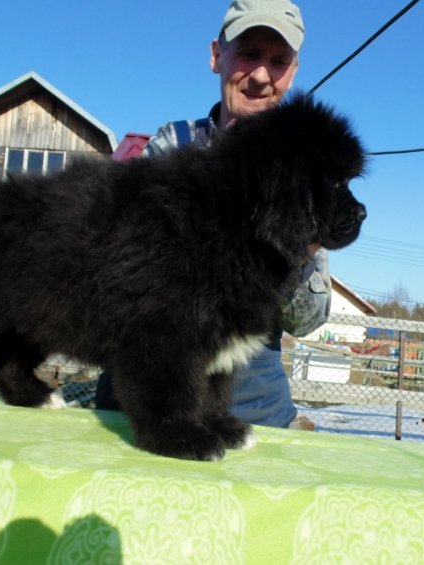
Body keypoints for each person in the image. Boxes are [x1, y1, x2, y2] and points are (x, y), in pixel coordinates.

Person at [95, 0, 329, 429]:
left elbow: (309, 320)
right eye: (249, 53)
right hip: (145, 397)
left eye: (279, 61)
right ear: (216, 56)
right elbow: (121, 272)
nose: (261, 75)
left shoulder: (307, 173)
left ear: (292, 74)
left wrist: (302, 247)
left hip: (253, 410)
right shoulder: (171, 144)